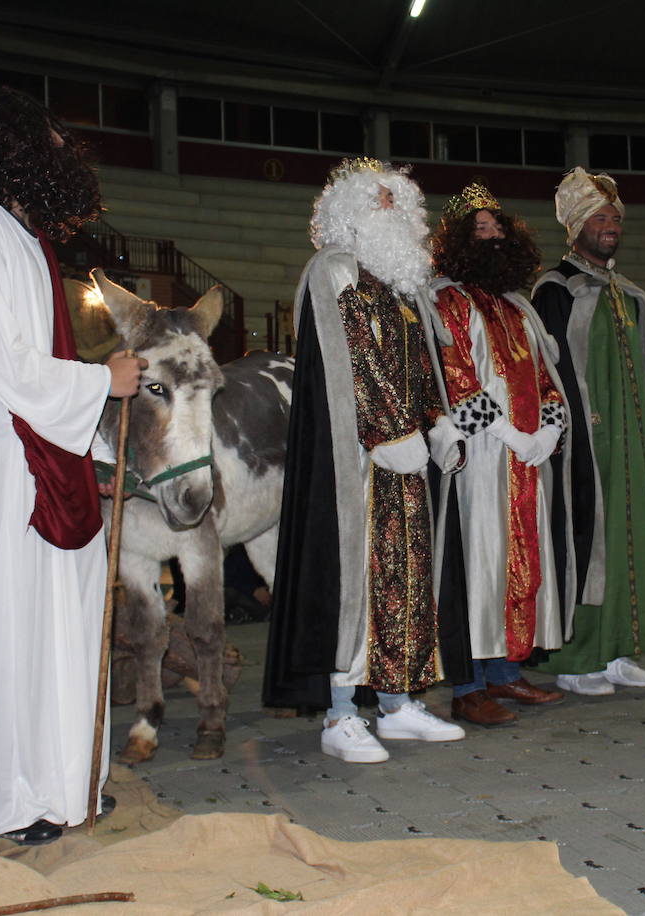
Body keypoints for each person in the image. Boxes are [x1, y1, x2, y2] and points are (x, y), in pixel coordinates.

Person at [0, 87, 145, 844]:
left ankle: (66, 783)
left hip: (49, 452)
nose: (62, 149)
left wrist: (91, 451)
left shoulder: (24, 235)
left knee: (63, 627)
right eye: (49, 138)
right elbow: (5, 364)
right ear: (11, 145)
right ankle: (18, 798)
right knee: (15, 629)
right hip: (8, 468)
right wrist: (101, 384)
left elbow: (37, 362)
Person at [262, 158, 469, 763]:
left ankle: (399, 702)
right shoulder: (336, 271)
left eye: (397, 201)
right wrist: (387, 431)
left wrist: (438, 423)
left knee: (402, 579)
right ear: (346, 212)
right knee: (352, 579)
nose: (391, 210)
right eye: (378, 201)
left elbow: (419, 364)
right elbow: (353, 356)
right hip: (354, 462)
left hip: (402, 459)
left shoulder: (403, 290)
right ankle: (340, 712)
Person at [426, 183, 567, 728]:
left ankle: (506, 672)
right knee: (477, 565)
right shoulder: (446, 301)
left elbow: (549, 379)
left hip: (529, 460)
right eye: (479, 229)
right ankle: (469, 685)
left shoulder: (519, 307)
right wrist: (511, 436)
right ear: (461, 241)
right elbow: (454, 378)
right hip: (482, 460)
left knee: (521, 563)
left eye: (497, 227)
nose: (491, 236)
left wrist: (549, 433)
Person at [530, 166, 645, 696]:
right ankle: (575, 655)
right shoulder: (555, 290)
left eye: (615, 217)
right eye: (599, 217)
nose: (610, 225)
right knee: (584, 541)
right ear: (575, 227)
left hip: (626, 443)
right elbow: (548, 367)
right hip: (578, 445)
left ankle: (617, 648)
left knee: (628, 536)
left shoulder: (626, 293)